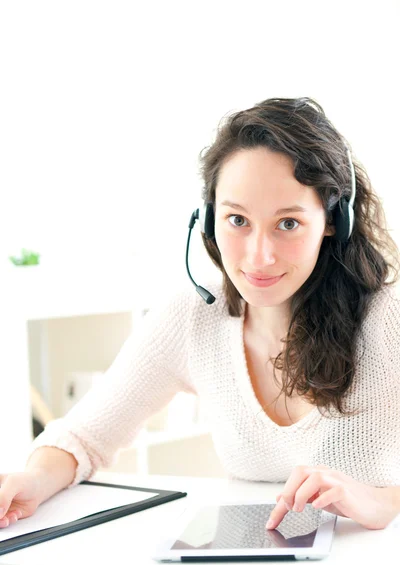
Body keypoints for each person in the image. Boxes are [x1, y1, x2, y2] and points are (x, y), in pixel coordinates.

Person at [1, 97, 400, 532]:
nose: (259, 256)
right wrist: (34, 480)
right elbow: (83, 436)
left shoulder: (388, 316)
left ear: (332, 220)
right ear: (209, 219)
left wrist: (382, 503)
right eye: (237, 220)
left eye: (288, 223)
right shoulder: (195, 315)